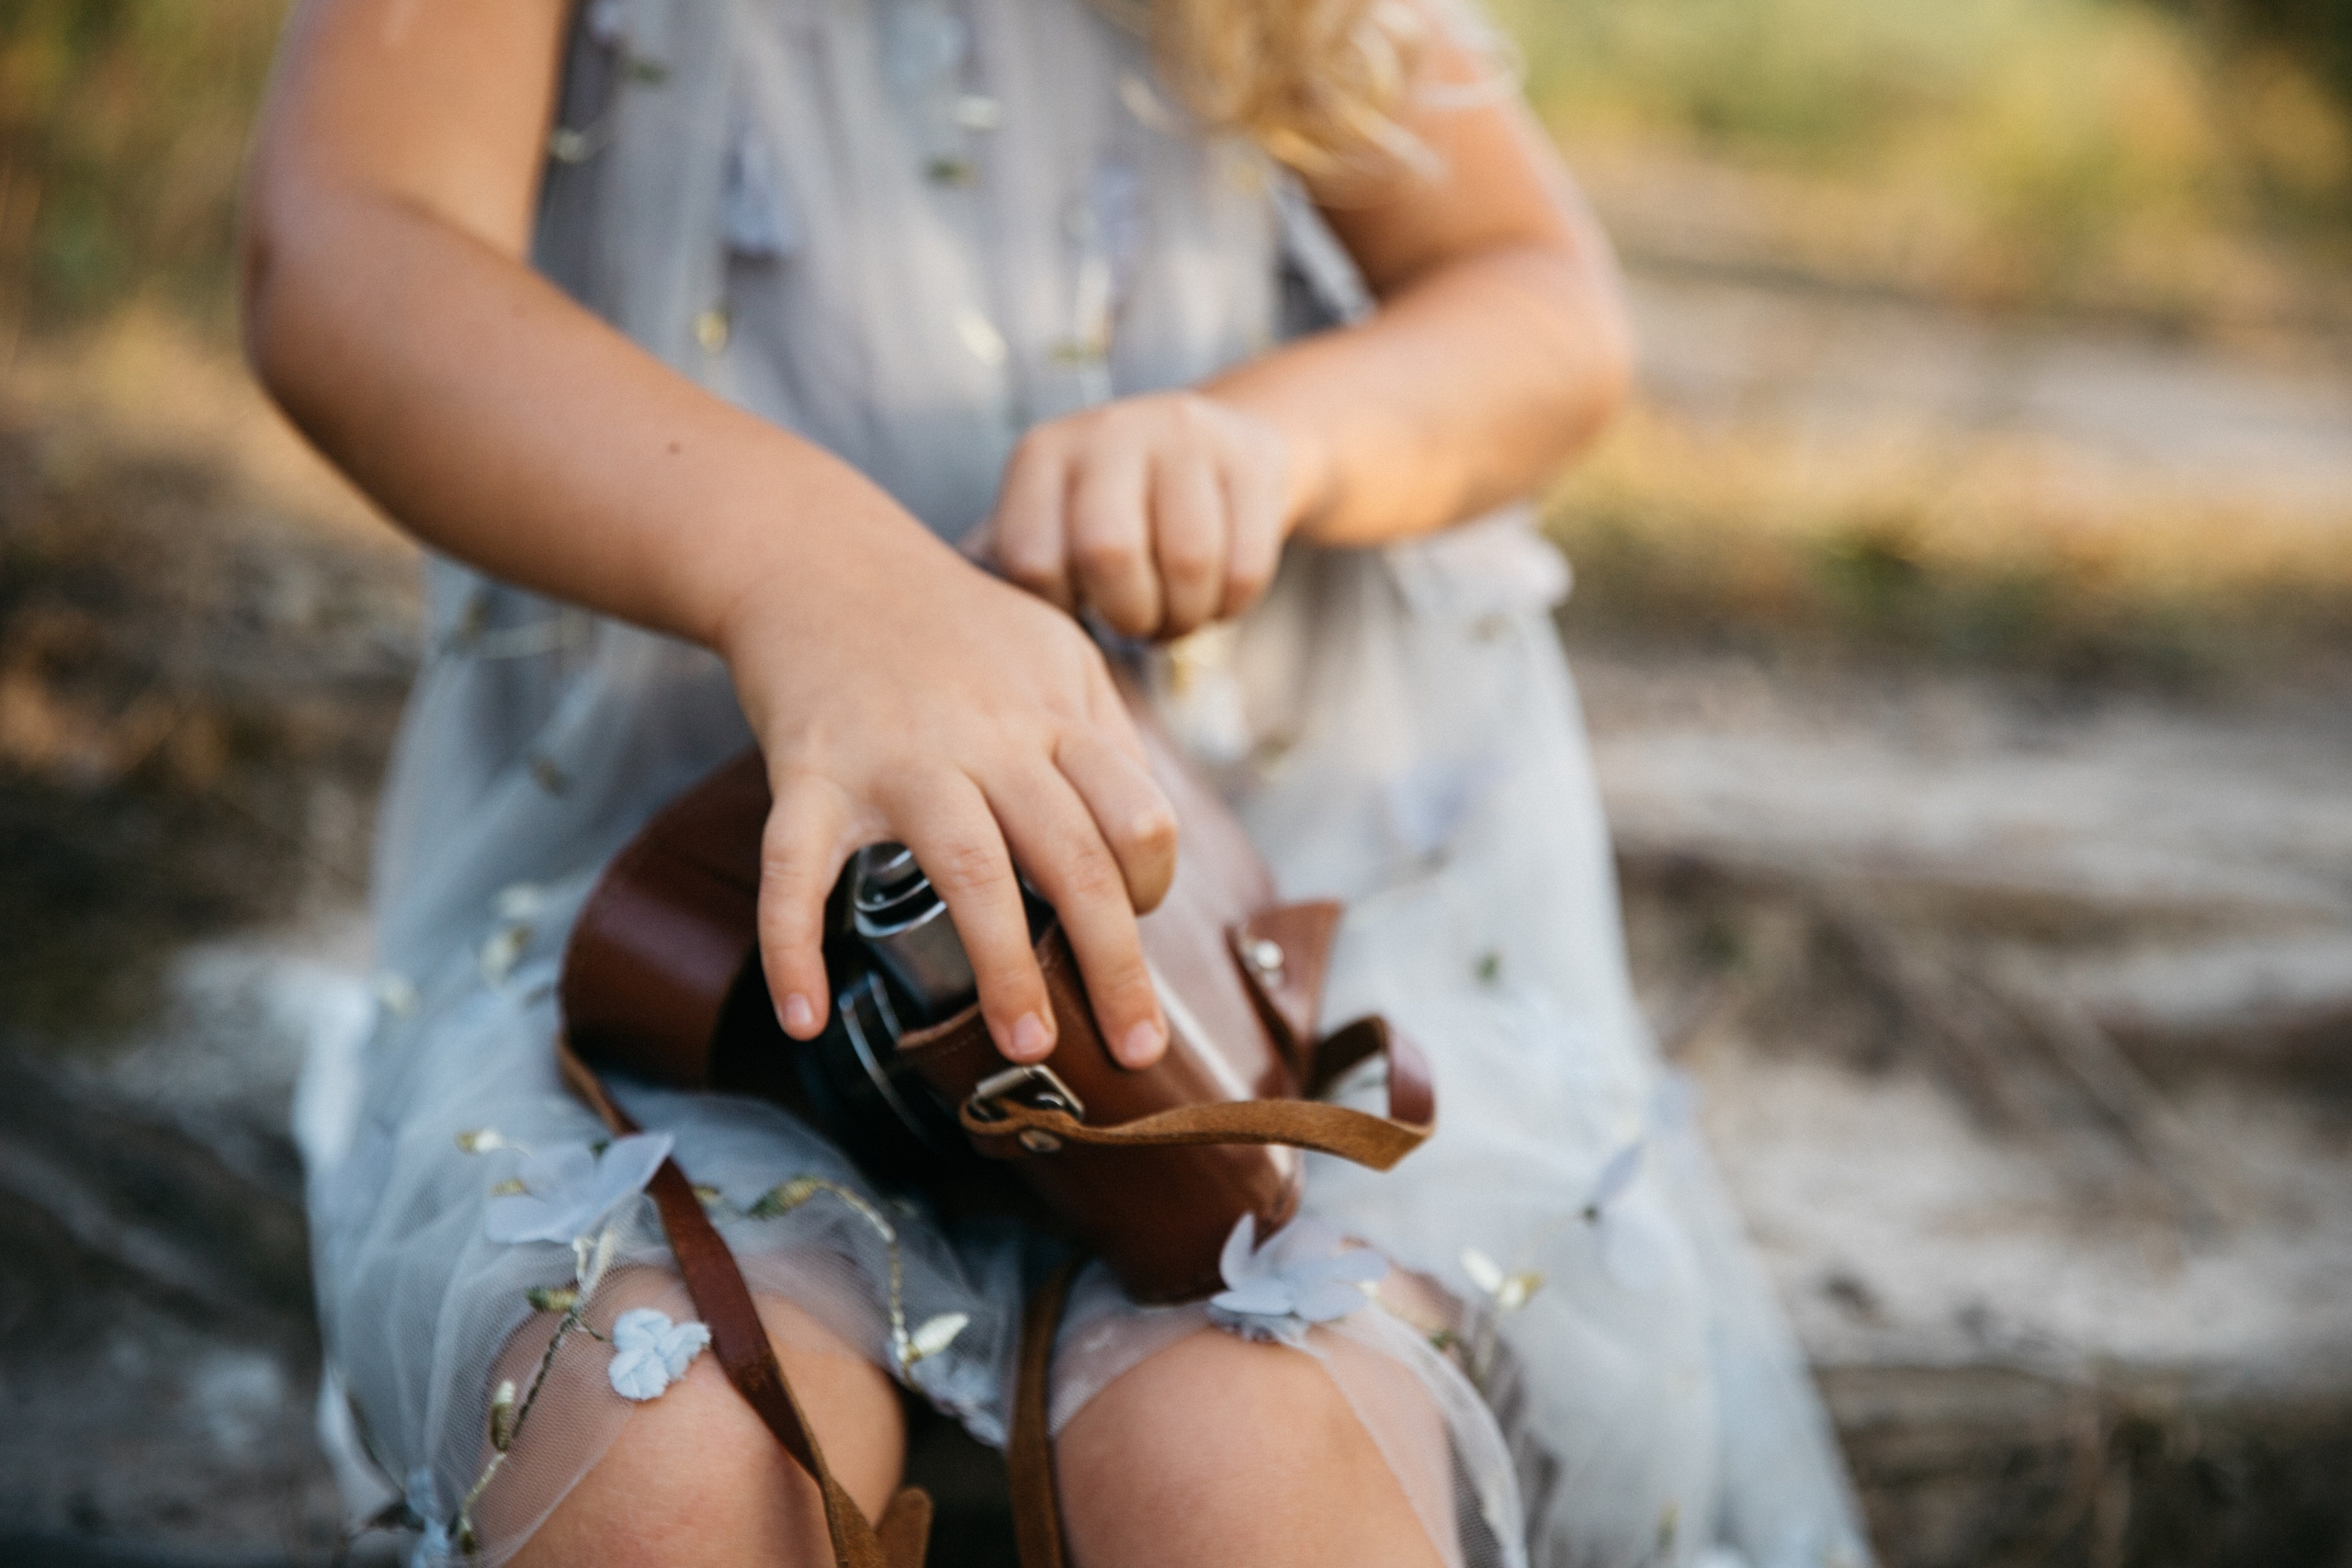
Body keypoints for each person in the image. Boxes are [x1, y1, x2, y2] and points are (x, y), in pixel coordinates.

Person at [242, 0, 1871, 1563]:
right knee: (666, 1463)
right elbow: (349, 247)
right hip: (691, 943)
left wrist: (1268, 443)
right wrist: (804, 574)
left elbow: (1540, 300)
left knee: (1258, 1455)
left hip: (1261, 928)